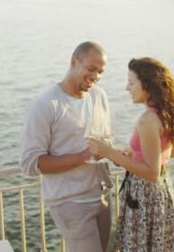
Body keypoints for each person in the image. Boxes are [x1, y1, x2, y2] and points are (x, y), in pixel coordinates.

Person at [88, 57, 174, 252]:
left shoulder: (148, 120)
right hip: (160, 193)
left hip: (144, 197)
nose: (127, 88)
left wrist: (109, 152)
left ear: (147, 85)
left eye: (132, 82)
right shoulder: (164, 113)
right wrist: (132, 155)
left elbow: (151, 172)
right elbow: (167, 155)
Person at [19, 41, 112, 252]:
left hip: (104, 195)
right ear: (73, 62)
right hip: (71, 202)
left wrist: (113, 152)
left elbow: (106, 140)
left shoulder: (99, 97)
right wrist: (83, 156)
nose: (95, 77)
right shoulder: (45, 104)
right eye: (91, 69)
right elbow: (30, 163)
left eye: (100, 72)